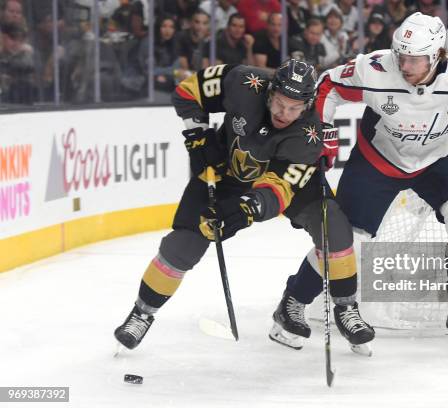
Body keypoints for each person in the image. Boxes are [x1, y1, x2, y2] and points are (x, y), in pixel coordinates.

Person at [276, 12, 448, 354]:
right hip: (377, 161)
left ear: (436, 55)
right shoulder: (375, 68)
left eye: (414, 58)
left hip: (436, 160)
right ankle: (292, 303)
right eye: (400, 55)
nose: (404, 65)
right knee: (346, 242)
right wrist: (321, 131)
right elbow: (327, 86)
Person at [114, 59, 374, 354]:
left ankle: (345, 308)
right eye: (278, 103)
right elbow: (188, 91)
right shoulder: (242, 81)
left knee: (334, 228)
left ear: (308, 105)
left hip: (282, 182)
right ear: (269, 92)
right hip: (225, 170)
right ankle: (142, 313)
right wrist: (197, 136)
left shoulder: (309, 135)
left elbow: (280, 189)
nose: (283, 114)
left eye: (293, 108)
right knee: (183, 245)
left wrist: (245, 210)